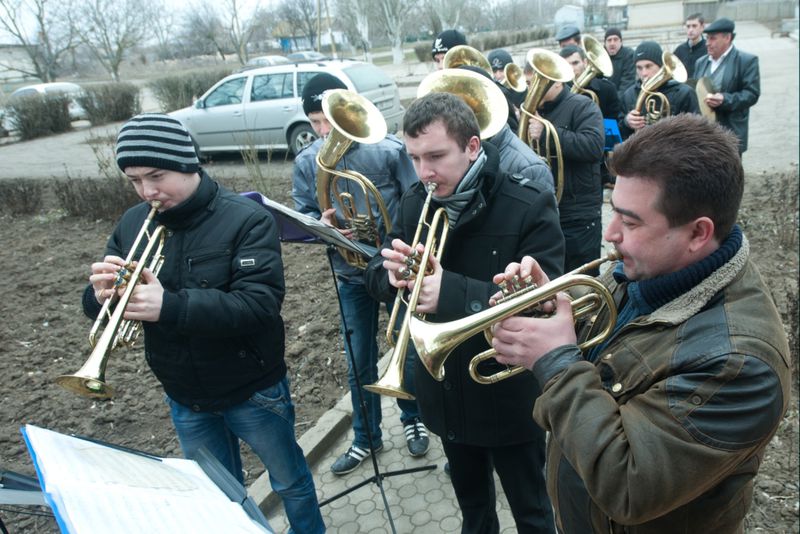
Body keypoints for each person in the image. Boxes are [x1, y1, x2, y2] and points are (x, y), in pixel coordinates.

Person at [490, 113, 791, 534]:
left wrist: (556, 363)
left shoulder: (742, 365)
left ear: (697, 234)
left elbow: (629, 486)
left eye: (630, 221)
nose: (610, 233)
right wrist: (547, 307)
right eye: (614, 212)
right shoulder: (645, 269)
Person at [83, 113, 325, 534]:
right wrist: (99, 294)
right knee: (219, 496)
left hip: (253, 389)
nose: (147, 191)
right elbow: (99, 307)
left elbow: (258, 304)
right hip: (183, 394)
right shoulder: (133, 222)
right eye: (135, 180)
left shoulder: (246, 219)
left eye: (156, 175)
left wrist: (170, 306)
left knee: (290, 482)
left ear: (189, 162)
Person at [364, 92, 564, 533]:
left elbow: (546, 300)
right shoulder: (417, 201)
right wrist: (391, 276)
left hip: (507, 393)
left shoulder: (528, 202)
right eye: (414, 157)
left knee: (532, 512)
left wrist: (450, 292)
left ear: (473, 147)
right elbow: (377, 272)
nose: (424, 172)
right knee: (473, 513)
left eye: (436, 156)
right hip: (445, 389)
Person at [291, 73, 430, 476]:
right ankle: (366, 437)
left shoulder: (387, 151)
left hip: (393, 270)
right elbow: (301, 218)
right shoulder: (306, 162)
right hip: (349, 275)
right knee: (359, 362)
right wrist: (322, 224)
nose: (322, 131)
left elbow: (416, 203)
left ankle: (412, 417)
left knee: (407, 350)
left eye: (327, 120)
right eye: (315, 122)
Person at [526, 74, 605, 274]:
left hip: (579, 213)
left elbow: (594, 147)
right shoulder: (532, 112)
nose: (531, 90)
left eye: (535, 83)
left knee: (582, 280)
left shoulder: (582, 106)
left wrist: (546, 134)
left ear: (558, 82)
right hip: (547, 211)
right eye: (528, 84)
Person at [693, 17, 760, 154]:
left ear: (727, 38)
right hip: (704, 131)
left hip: (731, 130)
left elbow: (752, 94)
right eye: (707, 38)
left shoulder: (746, 61)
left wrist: (725, 99)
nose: (707, 43)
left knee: (731, 172)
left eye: (712, 38)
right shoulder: (700, 62)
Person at [619, 41, 700, 139]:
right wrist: (627, 122)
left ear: (661, 66)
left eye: (648, 66)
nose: (644, 73)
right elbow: (620, 132)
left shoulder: (684, 93)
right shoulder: (629, 94)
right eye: (639, 68)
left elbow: (697, 130)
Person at [673, 13, 707, 81]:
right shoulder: (679, 50)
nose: (690, 30)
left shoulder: (708, 48)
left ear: (702, 27)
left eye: (694, 26)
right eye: (688, 26)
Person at [604, 28, 636, 98]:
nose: (612, 43)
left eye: (615, 40)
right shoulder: (600, 56)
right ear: (605, 43)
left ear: (621, 42)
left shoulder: (629, 55)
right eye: (609, 40)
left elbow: (627, 82)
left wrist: (613, 102)